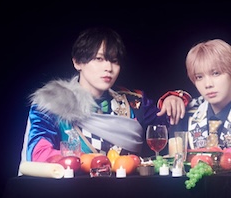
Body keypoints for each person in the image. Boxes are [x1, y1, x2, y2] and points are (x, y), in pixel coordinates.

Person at [20, 27, 188, 169]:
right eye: (99, 59)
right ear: (77, 62)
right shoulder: (52, 103)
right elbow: (38, 154)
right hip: (73, 193)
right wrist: (86, 161)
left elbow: (169, 127)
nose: (108, 68)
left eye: (114, 61)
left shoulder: (135, 102)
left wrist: (174, 99)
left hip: (131, 193)